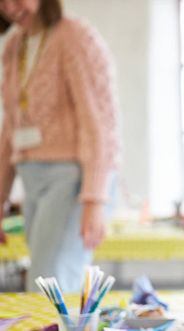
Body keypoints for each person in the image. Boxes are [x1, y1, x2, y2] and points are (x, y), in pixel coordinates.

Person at [0, 0, 118, 292]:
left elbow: (98, 122)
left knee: (50, 283)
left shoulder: (74, 37)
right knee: (46, 281)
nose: (11, 8)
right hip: (32, 179)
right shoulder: (15, 45)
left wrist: (93, 198)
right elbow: (10, 129)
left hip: (73, 179)